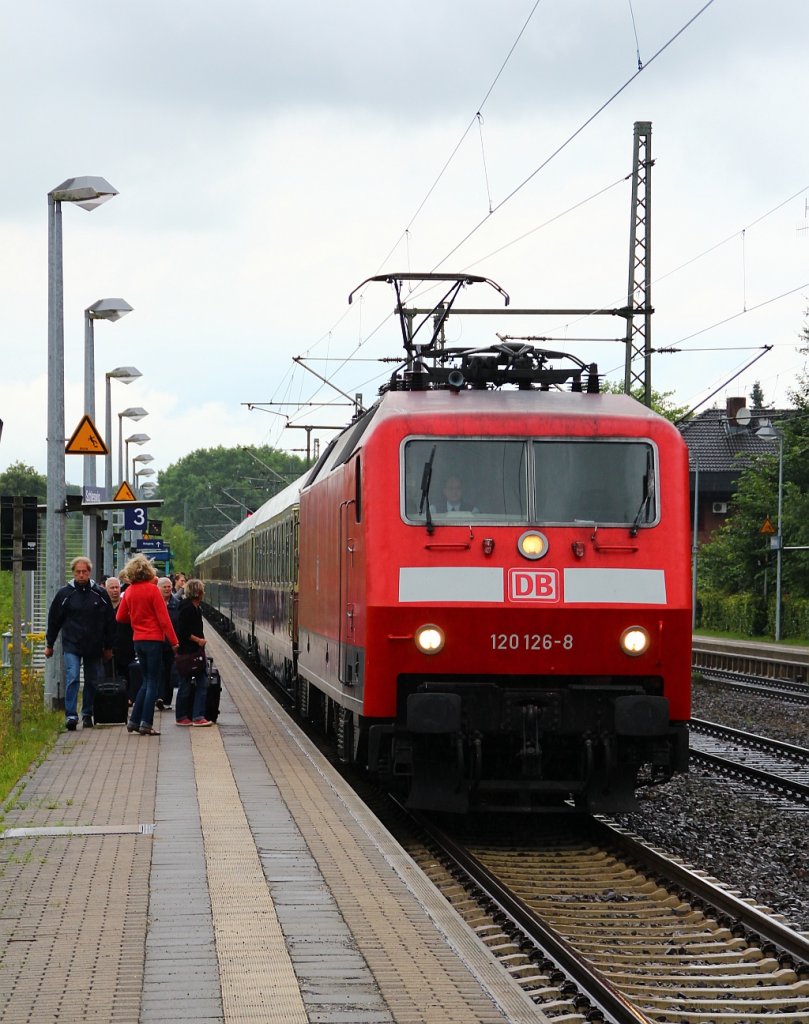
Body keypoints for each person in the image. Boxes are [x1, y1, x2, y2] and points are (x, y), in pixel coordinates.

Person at [45, 556, 115, 731]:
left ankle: (87, 712)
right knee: (73, 677)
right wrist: (50, 644)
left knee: (92, 681)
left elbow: (109, 622)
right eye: (78, 572)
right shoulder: (65, 594)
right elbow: (54, 620)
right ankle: (71, 715)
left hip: (94, 645)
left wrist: (109, 647)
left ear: (89, 572)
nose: (81, 575)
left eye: (84, 572)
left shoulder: (99, 593)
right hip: (72, 644)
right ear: (73, 573)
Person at [116, 555, 179, 736]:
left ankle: (134, 721)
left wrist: (136, 619)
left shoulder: (129, 591)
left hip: (138, 640)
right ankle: (146, 723)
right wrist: (174, 642)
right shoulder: (153, 591)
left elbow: (120, 617)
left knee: (146, 681)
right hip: (154, 641)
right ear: (148, 572)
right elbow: (164, 620)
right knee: (153, 682)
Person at [175, 578, 213, 727]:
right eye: (202, 590)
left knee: (199, 683)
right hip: (188, 652)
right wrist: (198, 640)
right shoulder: (187, 608)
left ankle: (195, 716)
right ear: (198, 593)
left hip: (194, 652)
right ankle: (187, 716)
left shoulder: (195, 607)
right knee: (186, 684)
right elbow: (182, 631)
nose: (204, 592)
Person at [105, 575, 136, 695]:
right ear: (106, 589)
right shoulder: (103, 606)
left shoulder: (126, 605)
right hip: (108, 648)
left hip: (126, 647)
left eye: (117, 587)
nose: (115, 590)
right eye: (112, 588)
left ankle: (127, 698)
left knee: (126, 674)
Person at [156, 576, 181, 710]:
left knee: (169, 672)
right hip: (156, 642)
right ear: (158, 588)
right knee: (159, 670)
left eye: (169, 587)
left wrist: (176, 642)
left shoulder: (177, 603)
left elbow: (179, 624)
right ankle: (159, 697)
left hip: (171, 644)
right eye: (164, 587)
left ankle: (166, 700)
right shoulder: (154, 603)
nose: (167, 589)